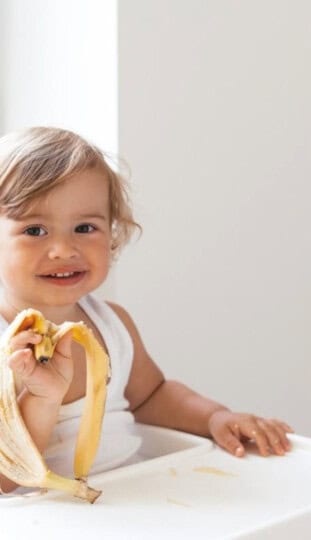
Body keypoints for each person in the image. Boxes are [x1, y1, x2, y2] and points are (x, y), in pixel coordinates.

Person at [0, 126, 293, 493]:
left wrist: (216, 417)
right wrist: (42, 398)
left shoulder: (112, 324)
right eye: (35, 231)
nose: (64, 249)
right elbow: (5, 479)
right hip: (44, 518)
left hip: (135, 498)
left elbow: (152, 396)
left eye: (85, 227)